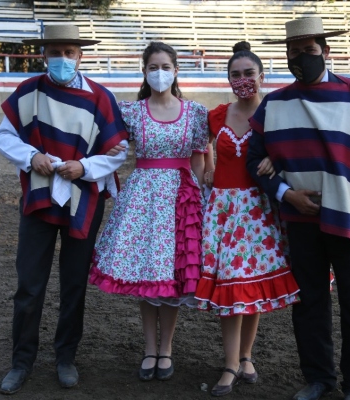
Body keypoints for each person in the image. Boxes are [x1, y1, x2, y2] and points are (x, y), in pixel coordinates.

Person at [246, 17, 350, 400]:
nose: (302, 57)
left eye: (310, 50)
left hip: (349, 217)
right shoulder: (275, 103)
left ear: (326, 51)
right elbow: (254, 160)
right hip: (300, 219)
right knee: (310, 303)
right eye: (294, 51)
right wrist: (285, 192)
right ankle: (318, 378)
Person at [0, 24, 129, 395]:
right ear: (44, 55)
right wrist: (31, 155)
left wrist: (84, 168)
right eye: (56, 52)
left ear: (81, 56)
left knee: (73, 284)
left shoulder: (101, 98)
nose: (63, 59)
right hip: (38, 199)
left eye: (70, 52)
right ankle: (21, 361)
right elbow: (3, 137)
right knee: (29, 284)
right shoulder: (29, 92)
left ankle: (65, 357)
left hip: (83, 200)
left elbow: (118, 151)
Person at [88, 41, 209, 382]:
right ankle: (149, 348)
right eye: (152, 67)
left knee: (170, 278)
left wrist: (201, 197)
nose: (159, 73)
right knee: (146, 274)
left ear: (176, 70)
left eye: (165, 66)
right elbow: (109, 148)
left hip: (180, 199)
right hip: (142, 198)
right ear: (144, 71)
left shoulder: (196, 112)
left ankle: (166, 348)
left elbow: (200, 156)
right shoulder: (131, 111)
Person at [194, 41, 301, 397]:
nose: (242, 80)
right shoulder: (217, 115)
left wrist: (279, 160)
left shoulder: (276, 113)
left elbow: (297, 149)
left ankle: (245, 356)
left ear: (262, 75)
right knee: (230, 288)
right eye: (235, 74)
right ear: (228, 78)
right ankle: (229, 364)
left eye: (248, 73)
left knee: (249, 286)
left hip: (259, 210)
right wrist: (207, 166)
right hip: (224, 213)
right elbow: (199, 148)